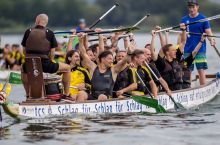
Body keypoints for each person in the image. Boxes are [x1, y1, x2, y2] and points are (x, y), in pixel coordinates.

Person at [21, 14, 71, 98]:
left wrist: (31, 60)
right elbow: (52, 52)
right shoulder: (50, 33)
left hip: (29, 63)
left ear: (37, 21)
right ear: (46, 22)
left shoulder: (28, 31)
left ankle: (27, 94)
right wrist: (50, 61)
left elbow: (24, 51)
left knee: (23, 69)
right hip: (45, 64)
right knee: (67, 68)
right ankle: (67, 94)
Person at [78, 33, 132, 100]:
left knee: (102, 96)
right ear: (103, 59)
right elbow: (83, 53)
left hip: (106, 97)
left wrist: (129, 53)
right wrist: (80, 41)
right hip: (93, 96)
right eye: (110, 58)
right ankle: (79, 110)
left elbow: (124, 61)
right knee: (81, 93)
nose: (112, 61)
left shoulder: (113, 70)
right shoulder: (93, 67)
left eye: (112, 59)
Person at [181, 0, 216, 85]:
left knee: (201, 70)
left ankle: (203, 88)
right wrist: (183, 30)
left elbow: (208, 32)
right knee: (188, 71)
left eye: (193, 7)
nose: (191, 9)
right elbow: (183, 38)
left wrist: (212, 40)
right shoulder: (184, 19)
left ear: (197, 7)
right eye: (190, 7)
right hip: (188, 49)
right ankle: (187, 88)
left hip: (200, 49)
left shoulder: (203, 19)